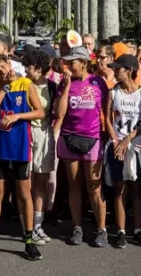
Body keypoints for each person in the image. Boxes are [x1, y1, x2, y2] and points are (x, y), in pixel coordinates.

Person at [0, 52, 44, 261]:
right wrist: (3, 89)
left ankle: (29, 240)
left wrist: (18, 116)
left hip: (20, 147)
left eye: (1, 67)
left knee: (24, 194)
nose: (0, 72)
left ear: (8, 64)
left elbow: (40, 112)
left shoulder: (25, 84)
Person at [54, 45, 110, 247]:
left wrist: (110, 136)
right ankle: (77, 227)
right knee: (74, 185)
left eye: (73, 62)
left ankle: (101, 229)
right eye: (67, 62)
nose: (69, 65)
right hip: (69, 137)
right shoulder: (64, 82)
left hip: (93, 138)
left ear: (84, 63)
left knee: (94, 186)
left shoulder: (98, 82)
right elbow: (59, 113)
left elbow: (108, 110)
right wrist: (67, 85)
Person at [105, 53, 141, 248]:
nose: (114, 72)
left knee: (136, 189)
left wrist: (129, 138)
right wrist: (116, 140)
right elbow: (106, 118)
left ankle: (138, 230)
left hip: (136, 146)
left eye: (118, 69)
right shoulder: (113, 92)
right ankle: (121, 231)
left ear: (129, 71)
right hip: (117, 145)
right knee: (119, 188)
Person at [23, 48, 58, 244]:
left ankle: (38, 225)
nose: (26, 69)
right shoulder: (22, 84)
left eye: (29, 66)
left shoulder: (52, 87)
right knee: (25, 181)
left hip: (45, 135)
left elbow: (56, 113)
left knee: (41, 182)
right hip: (26, 134)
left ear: (39, 68)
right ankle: (27, 226)